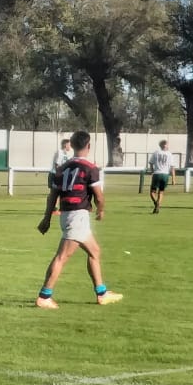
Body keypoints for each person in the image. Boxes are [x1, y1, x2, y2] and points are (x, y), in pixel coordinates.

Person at [35, 130, 122, 309]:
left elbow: (52, 196)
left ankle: (102, 293)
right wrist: (101, 211)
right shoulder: (90, 168)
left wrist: (47, 218)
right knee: (62, 257)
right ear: (88, 146)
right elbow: (99, 196)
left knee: (94, 251)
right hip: (77, 216)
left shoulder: (62, 168)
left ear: (72, 145)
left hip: (68, 215)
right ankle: (44, 296)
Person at [147, 139, 175, 214]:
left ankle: (156, 203)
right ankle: (158, 204)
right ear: (163, 145)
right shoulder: (169, 154)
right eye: (167, 144)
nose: (168, 146)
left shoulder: (156, 153)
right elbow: (172, 167)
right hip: (165, 175)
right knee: (161, 192)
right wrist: (173, 179)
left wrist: (152, 171)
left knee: (152, 192)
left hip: (157, 174)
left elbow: (151, 163)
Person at [49, 138, 73, 214]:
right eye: (69, 145)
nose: (70, 146)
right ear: (65, 145)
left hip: (60, 175)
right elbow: (57, 165)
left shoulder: (66, 154)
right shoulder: (60, 152)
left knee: (60, 193)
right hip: (55, 174)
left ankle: (57, 208)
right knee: (55, 193)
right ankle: (53, 209)